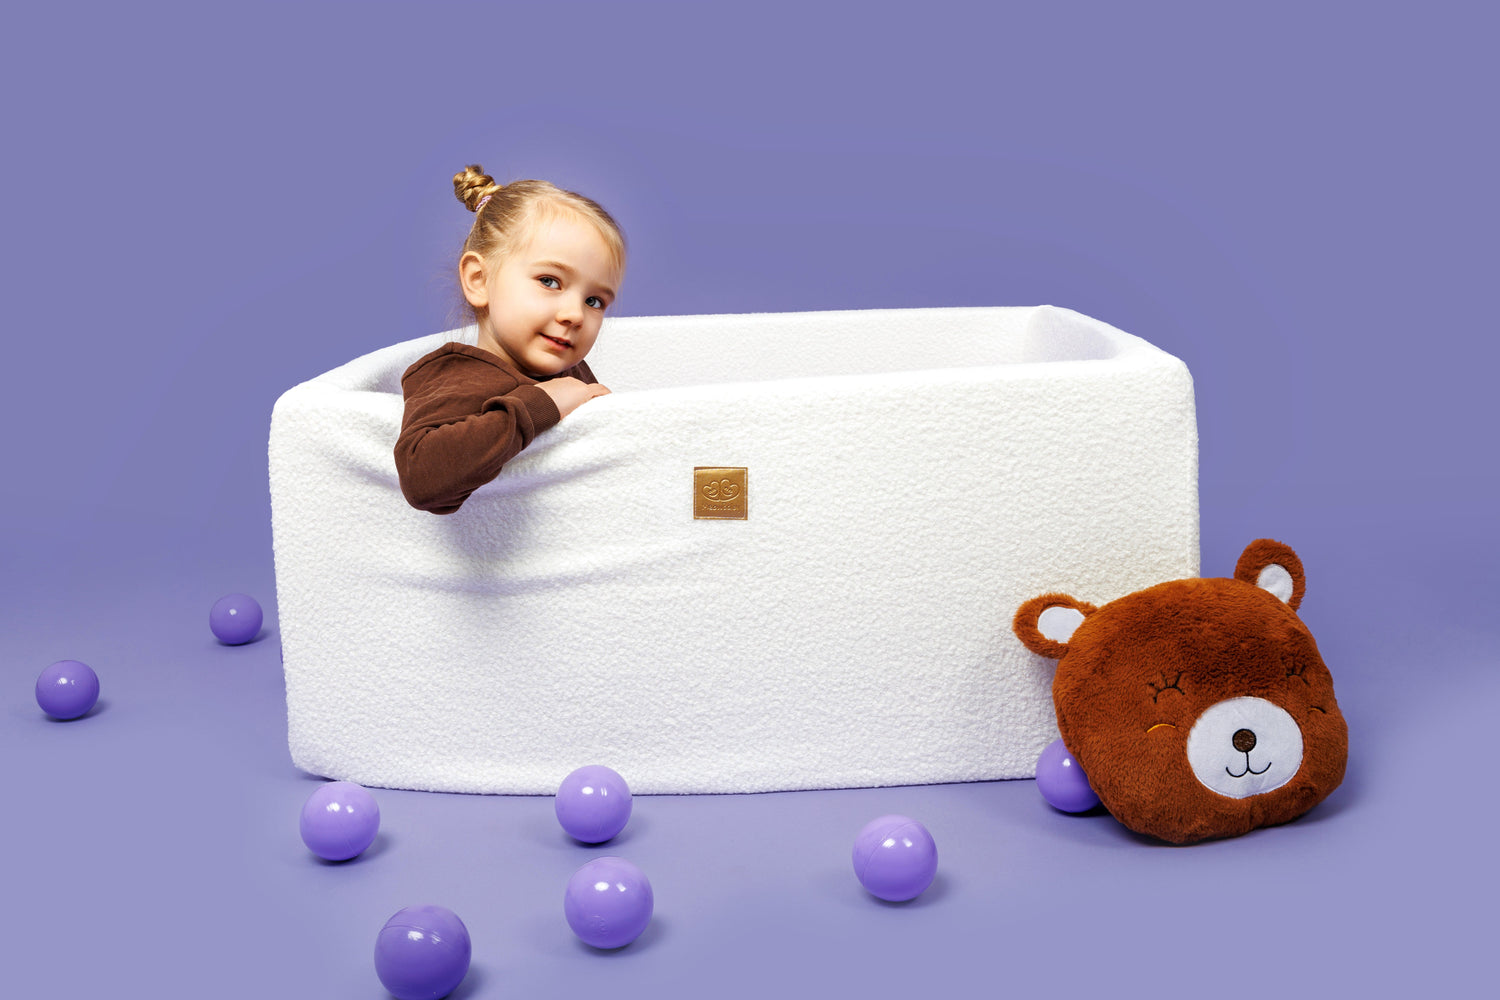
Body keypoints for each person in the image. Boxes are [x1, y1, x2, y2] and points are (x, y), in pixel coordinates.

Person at [395, 165, 626, 514]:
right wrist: (540, 405)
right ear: (479, 280)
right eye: (550, 281)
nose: (575, 315)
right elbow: (422, 479)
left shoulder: (572, 371)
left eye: (594, 301)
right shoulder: (451, 374)